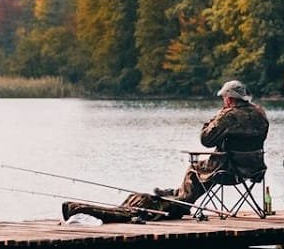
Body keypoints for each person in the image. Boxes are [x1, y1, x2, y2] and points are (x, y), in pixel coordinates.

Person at [62, 80, 269, 223]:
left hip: (228, 169)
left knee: (194, 169)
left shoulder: (228, 115)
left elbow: (206, 140)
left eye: (224, 99)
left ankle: (180, 202)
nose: (223, 102)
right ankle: (175, 196)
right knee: (200, 174)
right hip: (253, 170)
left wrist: (215, 118)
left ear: (230, 99)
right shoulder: (261, 114)